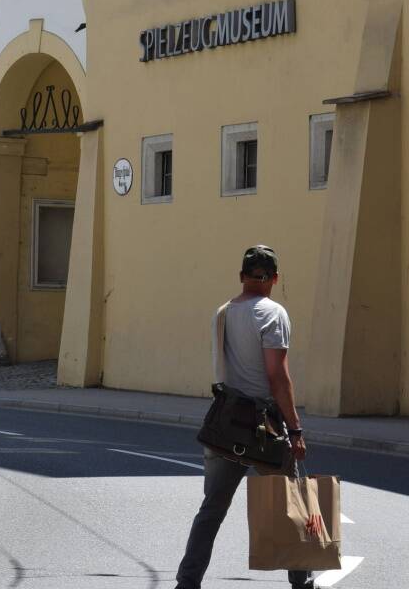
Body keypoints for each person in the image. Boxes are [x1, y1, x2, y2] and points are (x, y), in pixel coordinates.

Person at [174, 245, 313, 589]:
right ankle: (302, 584)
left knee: (211, 511)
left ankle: (187, 583)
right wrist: (295, 429)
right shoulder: (273, 313)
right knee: (293, 505)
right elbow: (278, 377)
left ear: (241, 277)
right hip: (264, 427)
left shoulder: (222, 313)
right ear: (275, 278)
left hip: (225, 425)